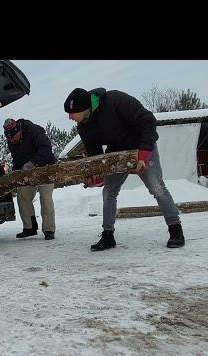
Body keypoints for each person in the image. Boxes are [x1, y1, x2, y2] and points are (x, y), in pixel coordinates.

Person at [63, 87, 185, 250]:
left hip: (141, 146)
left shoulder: (115, 100)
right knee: (109, 192)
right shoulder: (84, 127)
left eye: (71, 113)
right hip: (117, 152)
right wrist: (97, 176)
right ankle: (108, 235)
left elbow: (147, 120)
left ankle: (175, 229)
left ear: (83, 108)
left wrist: (144, 153)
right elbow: (96, 155)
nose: (69, 117)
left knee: (157, 188)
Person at [3, 118, 57, 240]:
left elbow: (46, 150)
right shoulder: (11, 140)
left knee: (45, 197)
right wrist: (16, 173)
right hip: (27, 172)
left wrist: (32, 163)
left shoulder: (35, 131)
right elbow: (16, 158)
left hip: (46, 168)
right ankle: (30, 227)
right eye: (9, 139)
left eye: (13, 137)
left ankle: (49, 229)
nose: (12, 141)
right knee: (23, 196)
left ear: (19, 131)